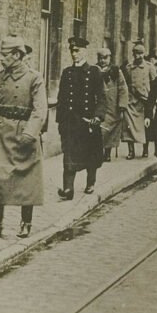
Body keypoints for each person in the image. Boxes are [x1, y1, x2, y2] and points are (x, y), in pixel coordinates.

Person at [0, 35, 47, 239]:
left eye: (5, 55)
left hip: (25, 132)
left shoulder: (34, 78)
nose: (1, 59)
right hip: (1, 133)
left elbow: (39, 109)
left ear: (17, 55)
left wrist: (29, 133)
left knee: (27, 180)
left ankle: (26, 223)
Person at [56, 37, 106, 199]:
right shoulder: (67, 72)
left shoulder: (94, 72)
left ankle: (90, 182)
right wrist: (60, 121)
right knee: (69, 155)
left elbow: (101, 97)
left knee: (90, 155)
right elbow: (62, 98)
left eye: (77, 50)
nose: (74, 54)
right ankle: (68, 189)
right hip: (71, 122)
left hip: (88, 122)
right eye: (72, 50)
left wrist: (98, 116)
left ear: (85, 51)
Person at [122, 43, 156, 159]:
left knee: (146, 127)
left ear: (144, 54)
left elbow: (155, 84)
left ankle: (145, 150)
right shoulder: (128, 67)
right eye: (136, 53)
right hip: (131, 102)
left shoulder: (149, 67)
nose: (138, 56)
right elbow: (125, 84)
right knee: (129, 126)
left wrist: (152, 100)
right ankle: (131, 151)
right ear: (133, 54)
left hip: (144, 101)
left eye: (141, 53)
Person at [96, 47, 129, 162]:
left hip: (113, 105)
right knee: (100, 129)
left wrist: (122, 105)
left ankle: (107, 153)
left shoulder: (116, 71)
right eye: (100, 58)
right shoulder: (94, 70)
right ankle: (98, 151)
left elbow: (123, 88)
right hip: (99, 104)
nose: (102, 61)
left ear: (110, 58)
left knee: (111, 130)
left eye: (105, 58)